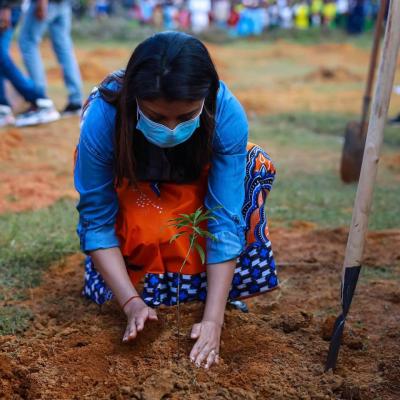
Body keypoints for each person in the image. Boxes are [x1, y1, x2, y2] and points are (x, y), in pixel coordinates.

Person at [74, 32, 278, 369]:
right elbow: (96, 220)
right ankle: (138, 287)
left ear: (205, 97)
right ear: (135, 99)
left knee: (252, 165)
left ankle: (214, 293)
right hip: (137, 202)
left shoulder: (225, 111)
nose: (170, 129)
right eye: (156, 116)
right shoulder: (104, 117)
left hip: (194, 200)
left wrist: (214, 320)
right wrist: (131, 304)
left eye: (185, 117)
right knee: (151, 222)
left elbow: (224, 220)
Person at [0, 0, 60, 127]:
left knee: (3, 56)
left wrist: (5, 6)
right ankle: (3, 108)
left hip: (6, 8)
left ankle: (40, 100)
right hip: (8, 7)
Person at [18, 0, 83, 116]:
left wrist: (41, 3)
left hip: (47, 3)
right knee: (64, 49)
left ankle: (39, 98)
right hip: (64, 4)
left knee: (28, 42)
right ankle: (76, 100)